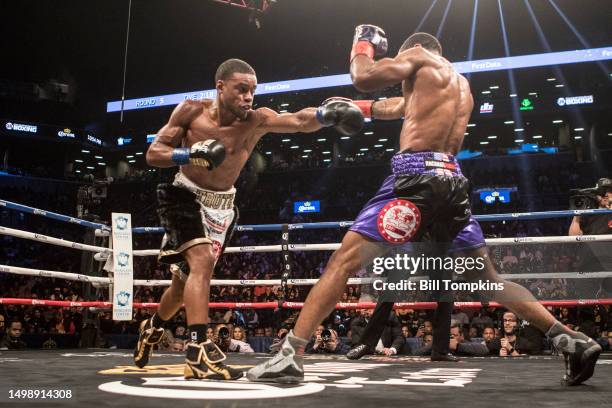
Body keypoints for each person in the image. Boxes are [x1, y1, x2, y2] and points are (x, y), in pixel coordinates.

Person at [248, 29, 601, 385]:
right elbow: (396, 107)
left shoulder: (417, 57)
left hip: (413, 178)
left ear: (413, 52)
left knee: (343, 262)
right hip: (452, 182)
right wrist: (355, 109)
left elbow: (364, 76)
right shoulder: (459, 85)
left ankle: (290, 354)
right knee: (489, 281)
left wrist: (363, 42)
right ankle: (570, 340)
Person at [132, 58, 364, 380]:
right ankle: (197, 349)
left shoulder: (256, 120)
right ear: (221, 87)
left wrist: (325, 115)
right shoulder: (190, 111)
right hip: (183, 194)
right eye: (242, 89)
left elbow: (297, 120)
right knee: (201, 263)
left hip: (222, 205)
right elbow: (153, 153)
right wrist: (188, 154)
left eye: (252, 91)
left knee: (183, 283)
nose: (248, 97)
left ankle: (153, 327)